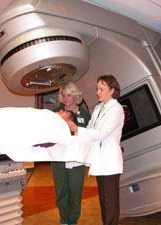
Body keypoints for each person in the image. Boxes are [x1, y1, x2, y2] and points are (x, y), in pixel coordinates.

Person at [67, 75, 124, 225]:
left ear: (112, 91)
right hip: (100, 161)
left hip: (110, 162)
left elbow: (102, 134)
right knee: (104, 201)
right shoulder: (98, 108)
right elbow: (90, 129)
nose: (97, 92)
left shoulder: (116, 109)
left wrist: (76, 129)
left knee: (110, 203)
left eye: (101, 89)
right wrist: (72, 136)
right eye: (97, 89)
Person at [51, 82, 91, 225]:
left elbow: (88, 136)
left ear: (76, 96)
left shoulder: (85, 114)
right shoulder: (56, 112)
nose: (66, 98)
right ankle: (64, 220)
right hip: (59, 160)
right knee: (61, 192)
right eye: (63, 95)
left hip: (76, 160)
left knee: (75, 192)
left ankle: (73, 220)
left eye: (69, 95)